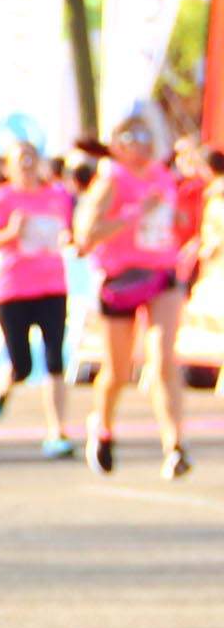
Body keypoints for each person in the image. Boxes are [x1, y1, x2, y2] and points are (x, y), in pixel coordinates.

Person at [78, 106, 193, 477]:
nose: (142, 144)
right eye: (132, 137)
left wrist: (174, 219)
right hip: (121, 280)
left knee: (163, 359)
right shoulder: (110, 180)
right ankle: (102, 427)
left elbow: (170, 220)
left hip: (161, 273)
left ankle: (174, 445)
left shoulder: (162, 175)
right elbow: (86, 235)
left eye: (147, 136)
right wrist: (133, 214)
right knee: (118, 372)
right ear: (117, 144)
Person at [0, 139, 80, 456]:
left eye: (31, 158)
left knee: (55, 359)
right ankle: (3, 389)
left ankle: (57, 431)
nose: (28, 166)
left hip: (53, 287)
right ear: (9, 167)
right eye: (21, 160)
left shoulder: (56, 196)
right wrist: (11, 232)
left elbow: (67, 232)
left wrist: (68, 238)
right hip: (15, 289)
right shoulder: (3, 199)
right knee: (22, 364)